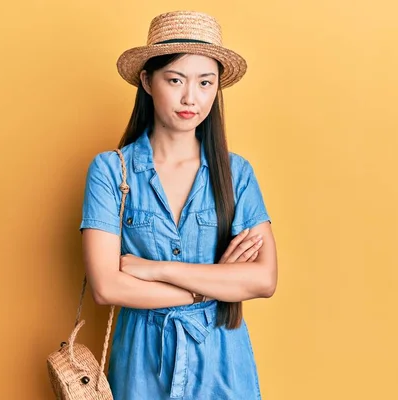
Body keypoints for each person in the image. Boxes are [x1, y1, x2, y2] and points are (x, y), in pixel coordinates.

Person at [79, 10, 278, 400]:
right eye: (175, 80)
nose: (191, 98)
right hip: (141, 365)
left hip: (223, 365)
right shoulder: (111, 170)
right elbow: (106, 285)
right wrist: (215, 284)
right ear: (147, 81)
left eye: (206, 83)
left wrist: (155, 270)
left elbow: (263, 280)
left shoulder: (236, 174)